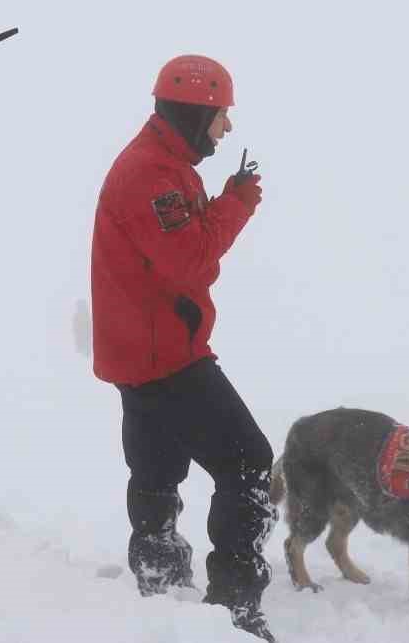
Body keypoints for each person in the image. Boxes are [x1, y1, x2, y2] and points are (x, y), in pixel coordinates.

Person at [91, 55, 277, 641]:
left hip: (140, 348)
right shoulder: (152, 173)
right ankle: (234, 607)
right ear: (197, 113)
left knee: (157, 465)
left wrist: (219, 204)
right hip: (164, 354)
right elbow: (191, 261)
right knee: (247, 461)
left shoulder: (168, 163)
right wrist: (238, 204)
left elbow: (183, 257)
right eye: (222, 116)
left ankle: (159, 580)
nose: (226, 129)